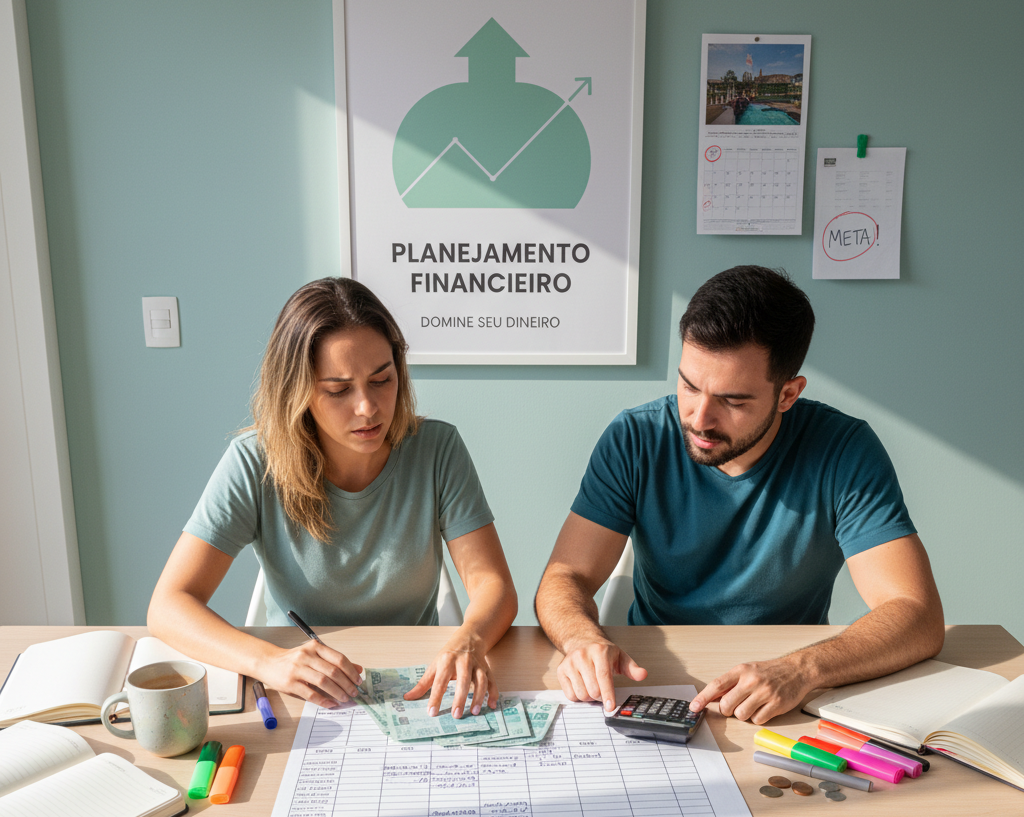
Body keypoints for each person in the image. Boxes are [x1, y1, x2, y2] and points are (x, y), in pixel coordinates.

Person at [535, 265, 944, 725]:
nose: (699, 418)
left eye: (732, 401)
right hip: (653, 680)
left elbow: (915, 612)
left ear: (787, 394)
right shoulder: (635, 437)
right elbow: (564, 576)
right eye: (689, 385)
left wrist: (803, 668)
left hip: (781, 692)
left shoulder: (843, 450)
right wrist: (581, 639)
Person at [148, 277, 517, 717]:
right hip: (302, 691)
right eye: (339, 390)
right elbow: (168, 606)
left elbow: (493, 585)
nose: (368, 407)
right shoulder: (253, 461)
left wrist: (469, 638)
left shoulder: (437, 449)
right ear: (297, 392)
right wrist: (269, 662)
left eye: (382, 379)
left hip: (416, 687)